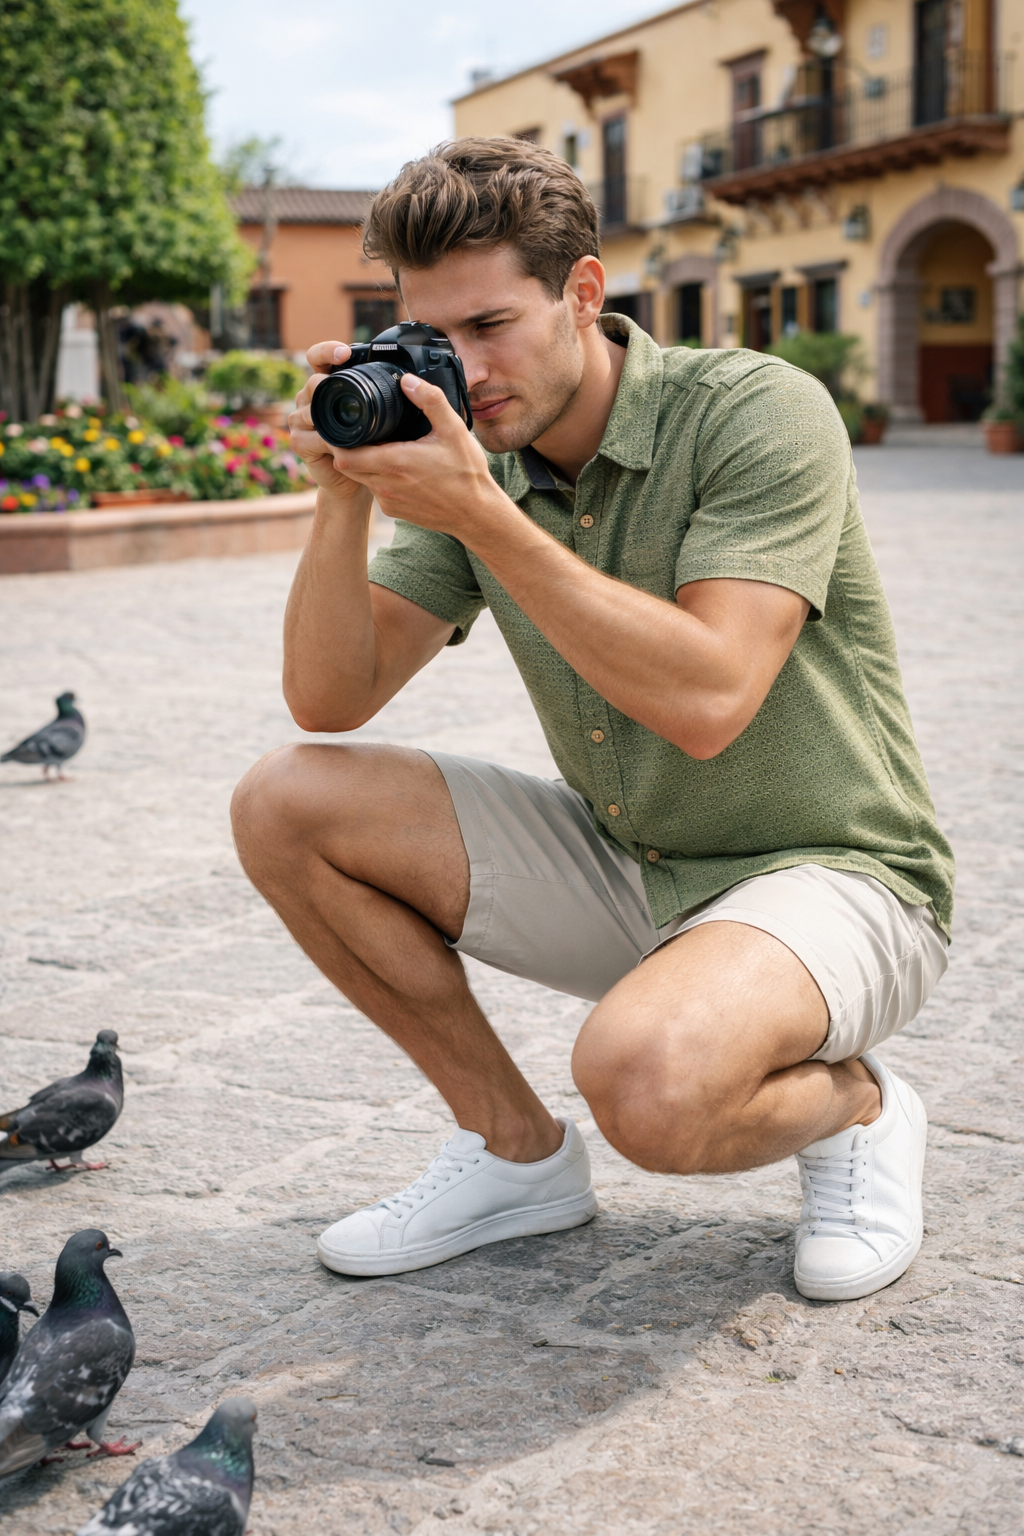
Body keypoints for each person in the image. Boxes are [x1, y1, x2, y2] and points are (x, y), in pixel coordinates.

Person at [231, 138, 954, 1302]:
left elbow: (711, 699)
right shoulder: (486, 461)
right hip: (638, 862)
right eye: (434, 337)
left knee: (650, 1088)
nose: (464, 369)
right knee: (287, 801)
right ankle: (515, 1155)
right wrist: (342, 498)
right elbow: (330, 697)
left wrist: (482, 515)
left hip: (838, 875)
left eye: (490, 327)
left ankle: (862, 1105)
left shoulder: (754, 413)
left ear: (581, 293)